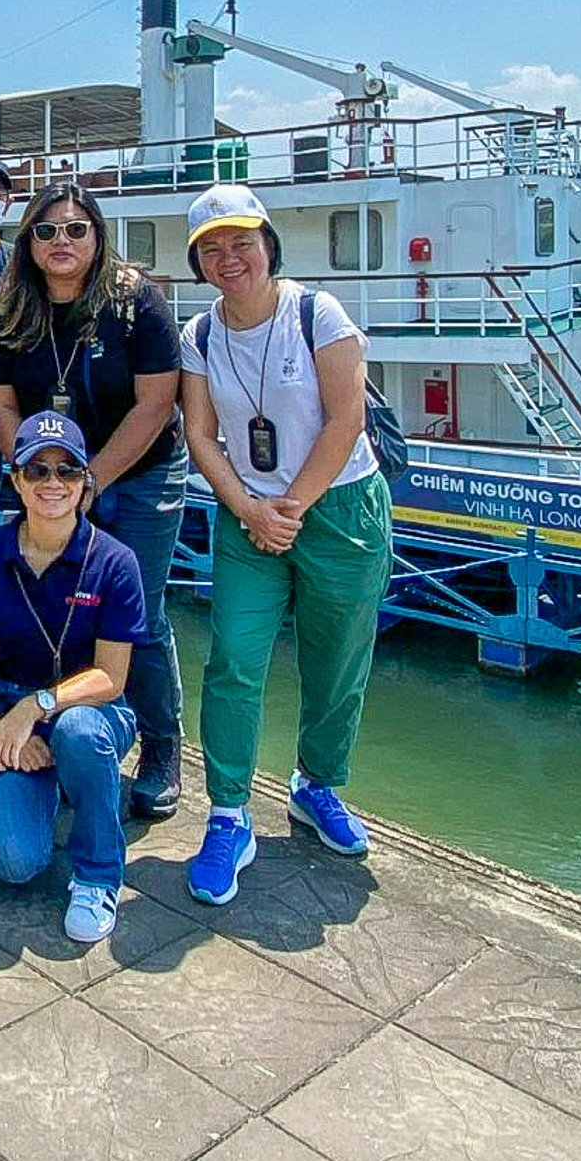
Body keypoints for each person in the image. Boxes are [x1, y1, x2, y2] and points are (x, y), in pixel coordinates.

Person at [176, 184, 392, 907]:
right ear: (197, 261)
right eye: (211, 247)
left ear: (268, 244)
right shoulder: (200, 336)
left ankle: (317, 784)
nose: (228, 257)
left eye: (241, 241)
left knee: (337, 662)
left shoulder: (315, 313)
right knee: (235, 659)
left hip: (339, 507)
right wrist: (248, 508)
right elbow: (200, 434)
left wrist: (289, 508)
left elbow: (346, 417)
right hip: (249, 515)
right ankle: (229, 811)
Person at [0, 183, 191, 817]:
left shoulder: (135, 303)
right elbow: (1, 404)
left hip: (141, 472)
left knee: (140, 614)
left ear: (97, 236)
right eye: (46, 232)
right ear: (29, 243)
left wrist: (90, 481)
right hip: (47, 475)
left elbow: (157, 403)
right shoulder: (12, 311)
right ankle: (60, 730)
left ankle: (160, 747)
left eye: (76, 230)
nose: (61, 242)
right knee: (46, 600)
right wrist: (43, 479)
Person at [0, 412, 143, 944]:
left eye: (67, 471)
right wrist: (1, 720)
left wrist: (35, 707)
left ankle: (98, 873)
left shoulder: (116, 562)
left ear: (84, 482)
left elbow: (113, 677)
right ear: (15, 480)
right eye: (37, 470)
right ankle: (55, 788)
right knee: (13, 861)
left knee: (78, 732)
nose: (52, 484)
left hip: (92, 708)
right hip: (5, 700)